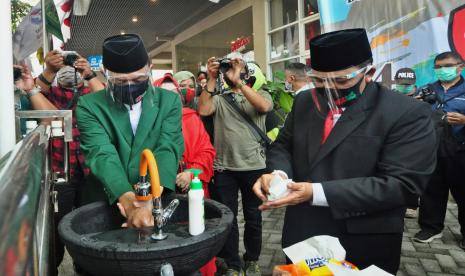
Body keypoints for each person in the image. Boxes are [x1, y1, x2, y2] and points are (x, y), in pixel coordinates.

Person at [253, 28, 437, 274]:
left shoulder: (406, 113)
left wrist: (313, 192)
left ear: (368, 73)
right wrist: (279, 175)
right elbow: (283, 145)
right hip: (303, 232)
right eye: (319, 80)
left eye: (341, 81)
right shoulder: (305, 101)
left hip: (363, 237)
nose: (328, 89)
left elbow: (402, 185)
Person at [76, 34, 184, 229]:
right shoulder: (89, 105)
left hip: (155, 198)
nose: (129, 86)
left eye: (138, 79)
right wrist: (129, 203)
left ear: (149, 69)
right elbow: (101, 153)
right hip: (107, 197)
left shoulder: (169, 101)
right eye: (119, 82)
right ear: (104, 72)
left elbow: (168, 147)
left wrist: (149, 199)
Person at [198, 56, 272, 276]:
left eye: (238, 69)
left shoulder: (261, 95)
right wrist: (211, 79)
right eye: (228, 70)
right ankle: (233, 264)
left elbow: (264, 107)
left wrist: (239, 82)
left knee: (254, 218)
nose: (231, 72)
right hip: (224, 169)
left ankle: (252, 260)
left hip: (255, 167)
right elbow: (203, 110)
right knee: (228, 219)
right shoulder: (220, 100)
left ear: (247, 74)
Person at [35, 50, 105, 274]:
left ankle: (86, 267)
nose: (68, 70)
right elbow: (35, 91)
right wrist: (49, 69)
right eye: (64, 66)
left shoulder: (89, 93)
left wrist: (89, 74)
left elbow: (104, 98)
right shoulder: (51, 94)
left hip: (90, 171)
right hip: (60, 172)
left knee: (91, 222)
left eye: (72, 64)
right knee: (56, 227)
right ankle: (53, 266)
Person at [154, 75, 217, 276]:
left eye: (174, 94)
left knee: (197, 245)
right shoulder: (148, 124)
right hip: (160, 199)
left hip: (193, 194)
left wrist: (191, 171)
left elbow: (207, 150)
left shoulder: (191, 118)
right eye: (164, 94)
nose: (170, 99)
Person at [414, 51, 465, 247]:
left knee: (463, 192)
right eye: (438, 67)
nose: (442, 70)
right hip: (431, 148)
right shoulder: (427, 89)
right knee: (431, 190)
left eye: (447, 66)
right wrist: (416, 105)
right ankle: (431, 227)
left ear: (460, 66)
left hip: (460, 150)